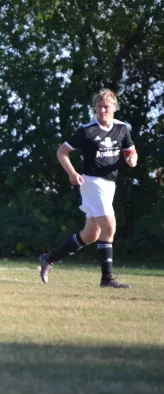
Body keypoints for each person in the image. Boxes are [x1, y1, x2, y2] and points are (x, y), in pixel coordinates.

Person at [39, 89, 138, 288]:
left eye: (106, 107)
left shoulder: (122, 128)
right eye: (99, 107)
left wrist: (131, 160)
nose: (102, 110)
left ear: (114, 108)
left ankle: (48, 259)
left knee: (91, 234)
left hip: (110, 184)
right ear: (95, 108)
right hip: (92, 182)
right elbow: (62, 152)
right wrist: (72, 173)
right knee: (109, 226)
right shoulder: (87, 130)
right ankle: (107, 279)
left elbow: (132, 153)